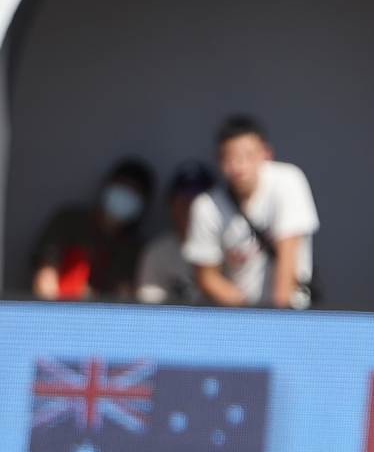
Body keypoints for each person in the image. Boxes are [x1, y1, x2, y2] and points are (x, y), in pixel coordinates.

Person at [183, 115, 320, 309]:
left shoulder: (288, 181)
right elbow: (207, 276)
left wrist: (277, 318)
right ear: (219, 159)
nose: (239, 166)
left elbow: (288, 256)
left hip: (291, 311)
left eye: (247, 155)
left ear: (266, 154)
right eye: (230, 157)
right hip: (240, 314)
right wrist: (247, 315)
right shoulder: (206, 206)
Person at [31, 158, 154, 301]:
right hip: (59, 307)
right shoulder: (69, 220)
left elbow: (124, 295)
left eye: (134, 191)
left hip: (103, 314)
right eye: (122, 185)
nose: (125, 195)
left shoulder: (135, 247)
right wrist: (51, 311)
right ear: (107, 186)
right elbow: (45, 275)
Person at [136, 160, 215, 304]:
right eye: (185, 199)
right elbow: (150, 310)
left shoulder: (230, 247)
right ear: (171, 203)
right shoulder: (157, 252)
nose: (191, 206)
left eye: (198, 198)